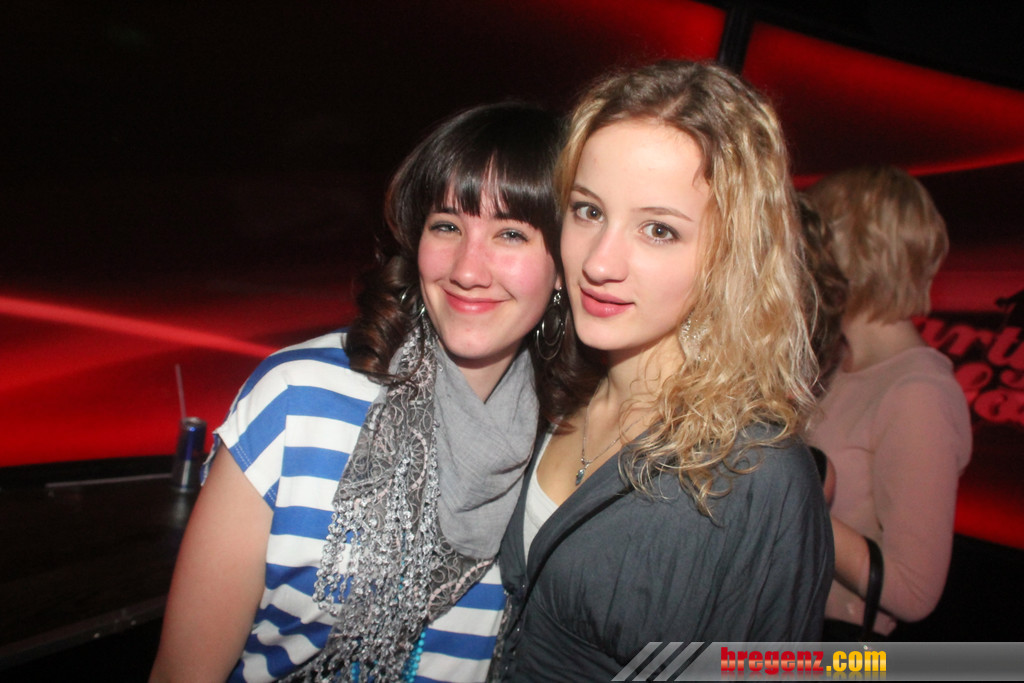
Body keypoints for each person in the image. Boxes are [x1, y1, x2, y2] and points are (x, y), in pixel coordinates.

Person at [150, 102, 567, 682]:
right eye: (447, 226)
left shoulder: (569, 449)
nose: (468, 270)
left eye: (511, 233)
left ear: (565, 266)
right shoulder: (298, 399)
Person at [491, 60, 833, 682]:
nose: (600, 262)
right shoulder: (553, 389)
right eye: (588, 211)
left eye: (658, 230)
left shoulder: (755, 473)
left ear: (729, 255)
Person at [804, 165, 972, 639]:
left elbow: (913, 591)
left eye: (812, 241)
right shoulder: (836, 366)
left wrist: (790, 505)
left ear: (852, 253)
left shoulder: (917, 393)